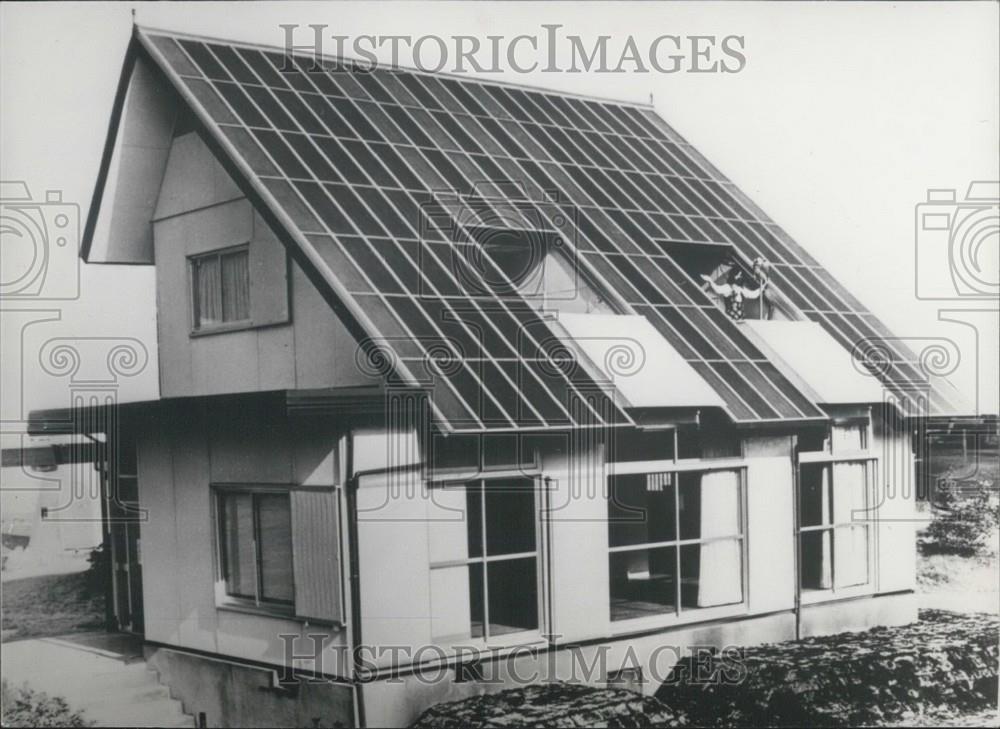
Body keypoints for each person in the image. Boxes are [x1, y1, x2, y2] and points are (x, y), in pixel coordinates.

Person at [700, 267, 766, 321]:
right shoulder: (728, 287)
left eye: (740, 275)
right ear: (733, 275)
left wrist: (762, 286)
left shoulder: (741, 289)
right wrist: (709, 280)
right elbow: (717, 289)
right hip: (729, 321)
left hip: (741, 321)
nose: (739, 276)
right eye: (737, 275)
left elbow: (753, 295)